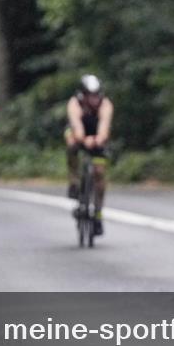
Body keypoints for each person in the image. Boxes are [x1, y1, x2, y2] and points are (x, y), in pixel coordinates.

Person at [65, 74, 113, 236]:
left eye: (96, 95)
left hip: (96, 134)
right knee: (71, 144)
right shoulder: (74, 104)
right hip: (78, 132)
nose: (94, 99)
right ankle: (74, 179)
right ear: (82, 95)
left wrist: (98, 139)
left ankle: (98, 214)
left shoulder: (105, 104)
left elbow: (104, 127)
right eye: (90, 95)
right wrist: (83, 140)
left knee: (99, 172)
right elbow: (76, 127)